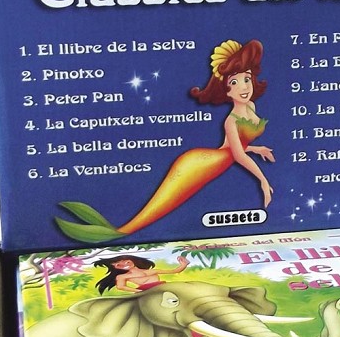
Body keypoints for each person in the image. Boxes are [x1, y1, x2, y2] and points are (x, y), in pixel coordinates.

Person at [55, 39, 275, 243]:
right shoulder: (231, 121)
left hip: (218, 159)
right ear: (225, 89)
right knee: (165, 202)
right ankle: (118, 232)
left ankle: (114, 231)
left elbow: (235, 147)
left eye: (246, 79)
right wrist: (262, 180)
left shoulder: (250, 106)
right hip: (203, 162)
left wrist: (255, 148)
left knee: (169, 201)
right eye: (234, 82)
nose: (244, 87)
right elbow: (236, 154)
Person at [93, 254, 189, 294]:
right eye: (119, 265)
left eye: (127, 262)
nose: (124, 265)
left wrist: (184, 264)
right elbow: (121, 287)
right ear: (116, 268)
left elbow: (174, 271)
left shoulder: (151, 271)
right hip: (145, 290)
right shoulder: (122, 276)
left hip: (161, 287)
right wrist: (138, 291)